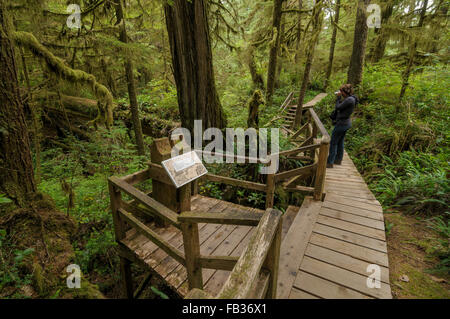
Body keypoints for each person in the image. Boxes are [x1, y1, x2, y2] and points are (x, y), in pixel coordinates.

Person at [327, 84, 358, 168]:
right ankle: (338, 160)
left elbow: (338, 107)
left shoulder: (349, 100)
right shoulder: (351, 99)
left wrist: (338, 98)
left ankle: (330, 162)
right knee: (340, 142)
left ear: (345, 92)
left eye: (341, 91)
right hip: (345, 123)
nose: (340, 93)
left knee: (333, 142)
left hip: (342, 124)